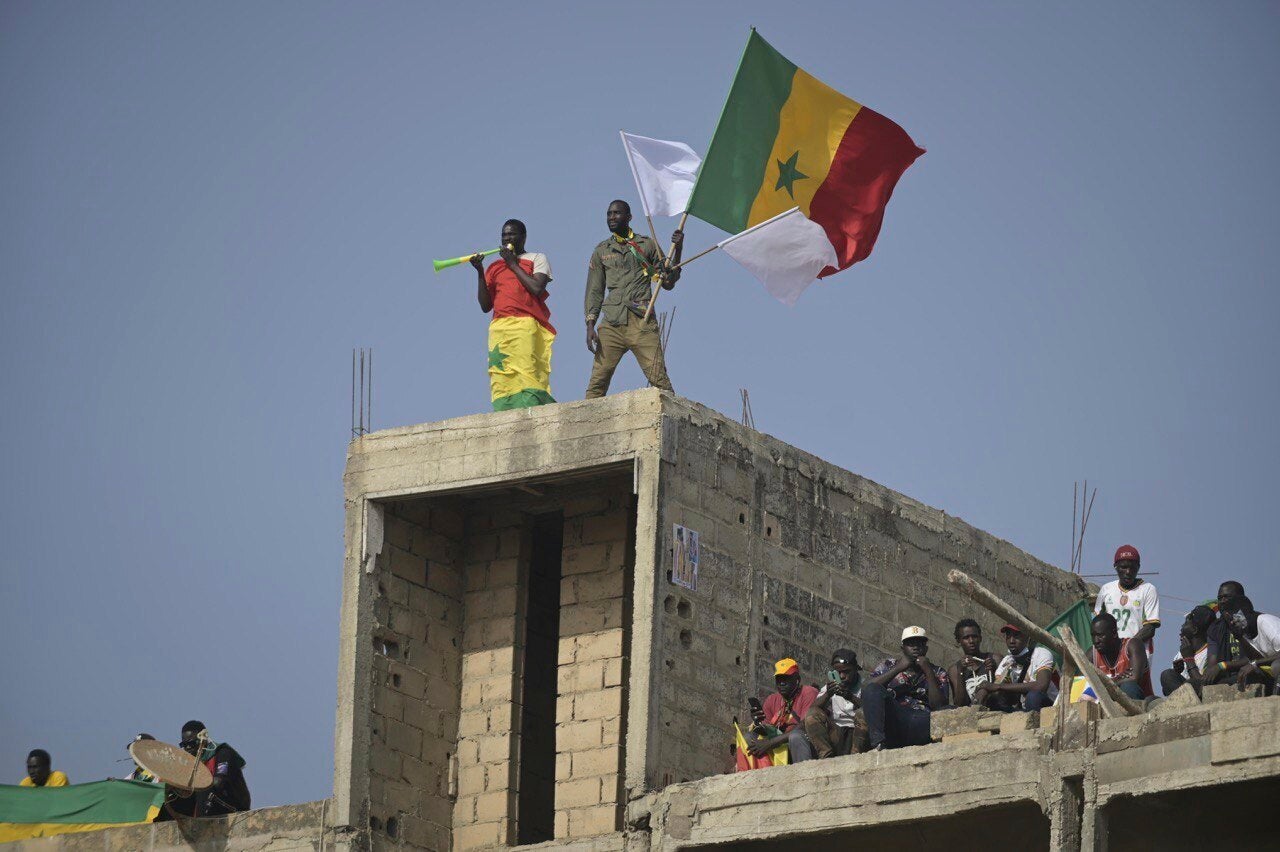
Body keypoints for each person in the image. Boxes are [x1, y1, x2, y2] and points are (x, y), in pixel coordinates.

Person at [583, 200, 683, 398]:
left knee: (659, 380)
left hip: (641, 320)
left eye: (617, 213)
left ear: (629, 217)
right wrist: (590, 325)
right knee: (596, 384)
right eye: (609, 214)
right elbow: (594, 290)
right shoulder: (602, 251)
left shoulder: (647, 245)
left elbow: (668, 281)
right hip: (611, 322)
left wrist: (678, 248)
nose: (612, 217)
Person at [471, 219, 555, 411]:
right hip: (499, 327)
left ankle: (535, 408)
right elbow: (485, 306)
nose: (507, 238)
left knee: (527, 369)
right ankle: (505, 411)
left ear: (523, 237)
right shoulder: (494, 267)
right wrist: (480, 271)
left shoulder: (537, 258)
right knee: (501, 374)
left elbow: (536, 287)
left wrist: (512, 263)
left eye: (512, 234)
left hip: (525, 324)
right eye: (504, 235)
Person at [863, 626, 950, 750]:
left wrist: (928, 671)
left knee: (951, 710)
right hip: (896, 719)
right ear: (902, 648)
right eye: (910, 644)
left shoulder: (938, 671)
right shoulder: (889, 665)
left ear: (926, 648)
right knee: (873, 689)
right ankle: (878, 745)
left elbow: (939, 706)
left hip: (922, 721)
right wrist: (899, 668)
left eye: (920, 643)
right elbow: (868, 689)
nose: (915, 647)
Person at [166, 721, 250, 817]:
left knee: (204, 786)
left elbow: (218, 783)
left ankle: (201, 825)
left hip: (233, 805)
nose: (188, 748)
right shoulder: (191, 764)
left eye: (192, 743)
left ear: (203, 739)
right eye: (184, 745)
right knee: (172, 796)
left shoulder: (223, 753)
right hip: (207, 804)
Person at [744, 658, 819, 763]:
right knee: (749, 737)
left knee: (796, 736)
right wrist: (758, 722)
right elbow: (767, 730)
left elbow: (804, 727)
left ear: (797, 679)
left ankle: (804, 775)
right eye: (779, 679)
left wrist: (769, 743)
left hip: (803, 744)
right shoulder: (772, 699)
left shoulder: (808, 693)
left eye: (786, 679)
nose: (782, 683)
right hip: (779, 746)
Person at [1093, 544, 1160, 653]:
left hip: (1137, 651)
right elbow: (1098, 623)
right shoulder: (1106, 589)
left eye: (1132, 567)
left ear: (1138, 567)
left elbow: (1150, 628)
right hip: (1110, 652)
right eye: (1123, 567)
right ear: (1116, 567)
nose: (1128, 572)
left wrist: (1127, 647)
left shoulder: (1148, 589)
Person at [974, 625, 1057, 711]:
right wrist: (984, 689)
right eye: (1008, 636)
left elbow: (1041, 686)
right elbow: (997, 684)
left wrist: (998, 686)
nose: (1011, 641)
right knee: (993, 700)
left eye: (1016, 636)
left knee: (1033, 697)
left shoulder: (1041, 654)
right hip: (1025, 709)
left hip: (1050, 707)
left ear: (1029, 637)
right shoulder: (1007, 661)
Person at [803, 649, 868, 758]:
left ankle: (856, 758)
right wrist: (828, 694)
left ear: (856, 669)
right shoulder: (831, 687)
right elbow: (812, 709)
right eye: (838, 672)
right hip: (837, 733)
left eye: (846, 672)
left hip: (859, 735)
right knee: (812, 714)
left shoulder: (865, 686)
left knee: (863, 712)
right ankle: (826, 756)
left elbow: (871, 711)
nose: (842, 676)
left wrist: (850, 697)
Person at [1219, 596, 1279, 693]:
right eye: (1230, 619)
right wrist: (1239, 638)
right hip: (1272, 671)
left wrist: (1254, 664)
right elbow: (1257, 658)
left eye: (1234, 616)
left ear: (1245, 611)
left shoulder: (1266, 622)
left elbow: (1256, 662)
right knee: (1250, 672)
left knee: (1277, 666)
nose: (1233, 621)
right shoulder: (1246, 631)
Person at [1086, 612, 1152, 700]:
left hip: (1142, 704)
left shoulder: (1133, 645)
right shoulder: (1092, 654)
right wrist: (1119, 679)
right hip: (1108, 706)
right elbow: (1081, 685)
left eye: (1100, 635)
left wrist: (1103, 683)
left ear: (1114, 633)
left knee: (1128, 686)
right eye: (1093, 636)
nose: (1096, 641)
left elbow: (1134, 678)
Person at [1159, 605, 1215, 697]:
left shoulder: (1210, 652)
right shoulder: (1181, 652)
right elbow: (1166, 691)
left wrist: (1189, 659)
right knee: (1151, 699)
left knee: (1167, 674)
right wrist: (1177, 673)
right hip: (1180, 697)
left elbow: (1203, 686)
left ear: (1194, 630)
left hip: (1199, 698)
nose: (1182, 626)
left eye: (1186, 623)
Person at [1202, 581, 1248, 685]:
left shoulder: (1251, 621)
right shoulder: (1214, 628)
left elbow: (1258, 657)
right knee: (1169, 676)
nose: (1222, 601)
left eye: (1227, 597)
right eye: (1220, 598)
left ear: (1240, 599)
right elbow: (1212, 666)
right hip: (1225, 677)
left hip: (1249, 672)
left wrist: (1223, 665)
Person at [946, 618, 998, 707]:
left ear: (980, 638)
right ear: (959, 641)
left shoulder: (995, 658)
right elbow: (959, 704)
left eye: (974, 636)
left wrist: (994, 670)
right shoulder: (954, 670)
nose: (971, 641)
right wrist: (961, 672)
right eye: (966, 638)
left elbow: (1004, 694)